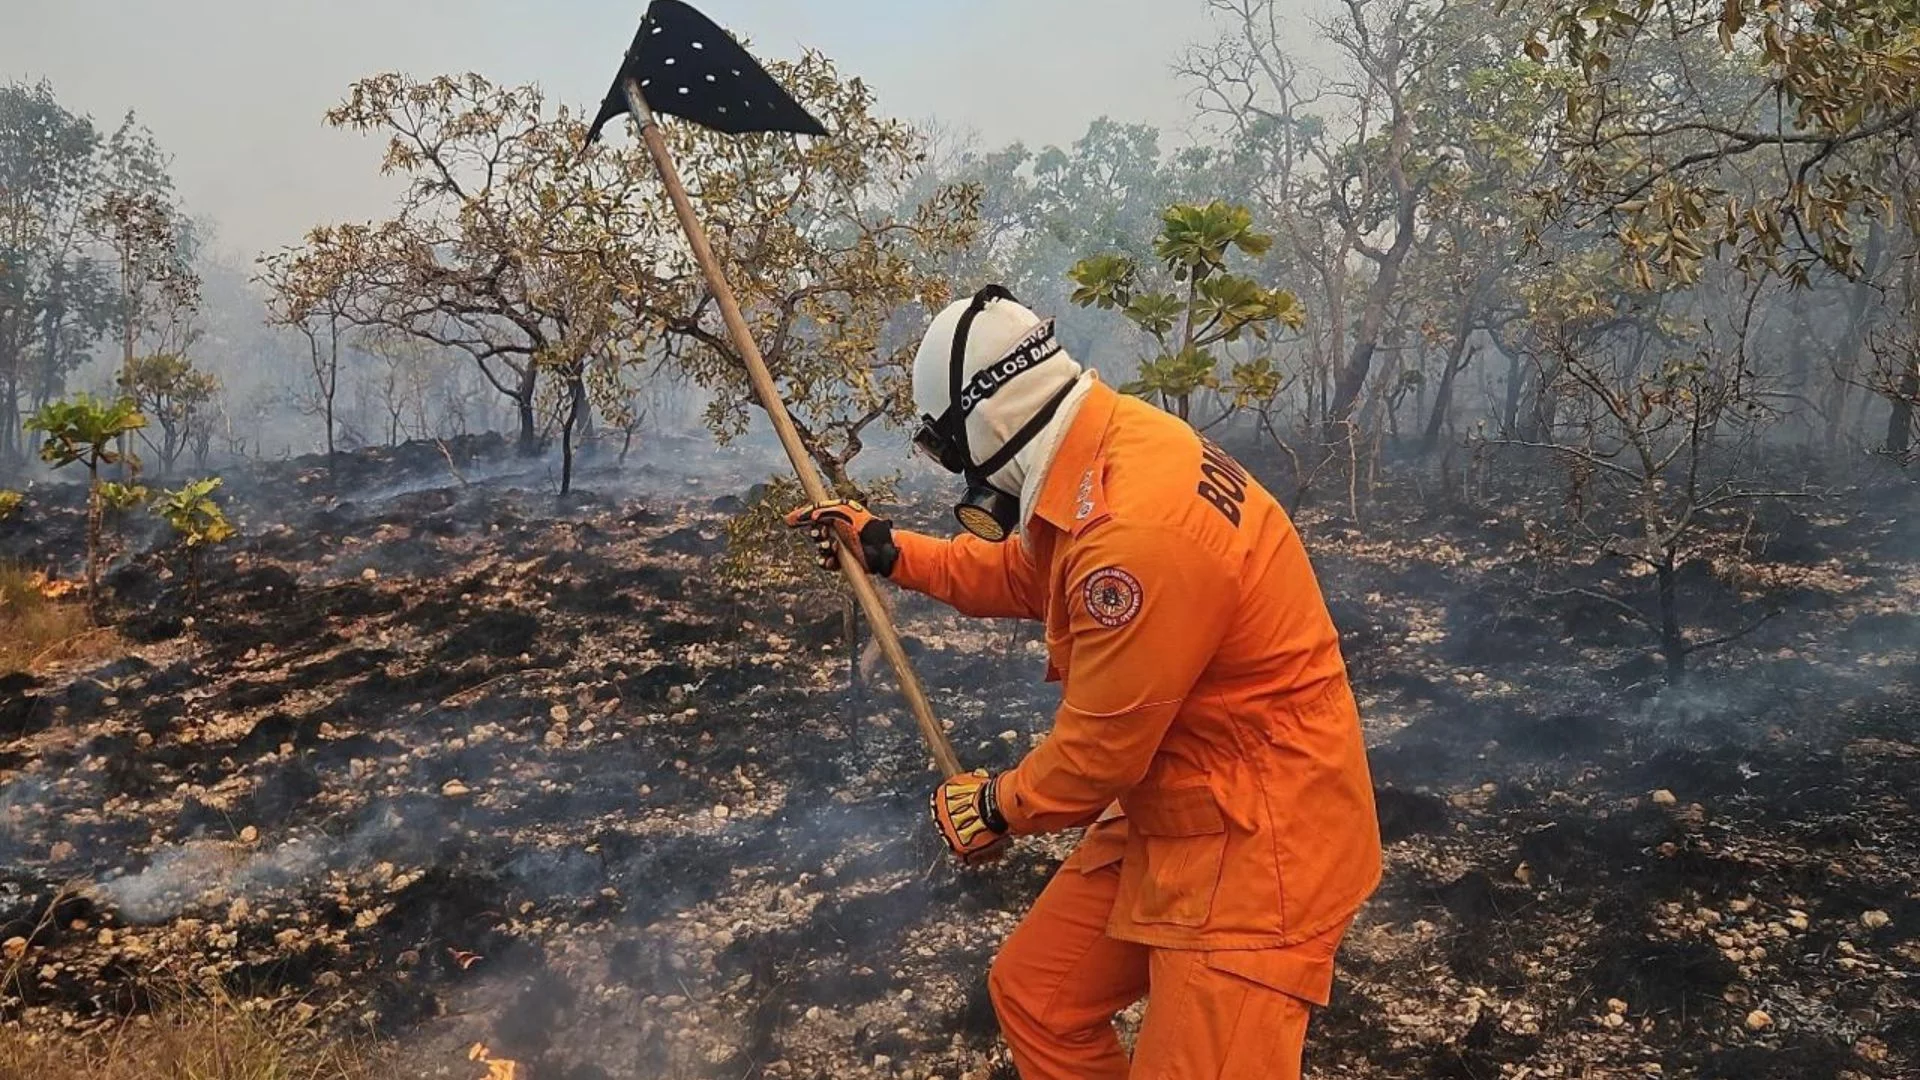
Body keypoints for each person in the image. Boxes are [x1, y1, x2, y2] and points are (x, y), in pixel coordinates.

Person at [785, 285, 1381, 1080]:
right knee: (1040, 998)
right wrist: (890, 550)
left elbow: (1100, 751)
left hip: (1259, 846)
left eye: (945, 447)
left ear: (988, 418)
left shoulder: (1135, 533)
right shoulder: (1110, 445)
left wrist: (997, 805)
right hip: (1180, 801)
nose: (954, 468)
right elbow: (1033, 573)